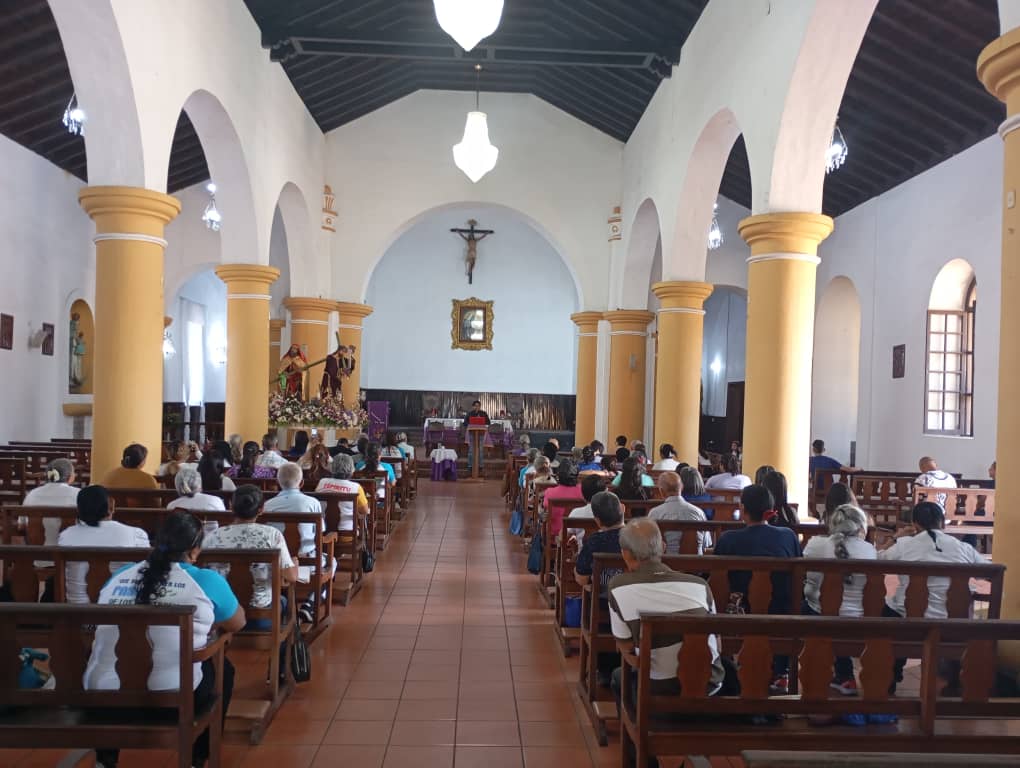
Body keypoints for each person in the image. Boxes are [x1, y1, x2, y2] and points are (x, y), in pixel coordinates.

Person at [87, 512, 245, 768]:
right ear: (195, 550)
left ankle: (105, 760)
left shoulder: (121, 574)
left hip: (105, 699)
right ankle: (197, 758)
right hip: (173, 701)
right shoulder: (205, 580)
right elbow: (237, 623)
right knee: (222, 669)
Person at [608, 517, 724, 755]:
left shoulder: (619, 587)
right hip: (709, 684)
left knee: (619, 676)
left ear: (625, 555)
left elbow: (626, 647)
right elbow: (717, 643)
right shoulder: (700, 585)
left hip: (658, 689)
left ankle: (636, 751)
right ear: (662, 547)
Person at [878, 501, 983, 693]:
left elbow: (877, 561)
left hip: (907, 623)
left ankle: (889, 676)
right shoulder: (963, 548)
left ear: (915, 525)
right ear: (942, 523)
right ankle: (953, 682)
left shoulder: (904, 545)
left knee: (889, 610)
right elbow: (988, 571)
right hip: (952, 624)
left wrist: (895, 538)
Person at [714, 484, 801, 693]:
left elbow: (717, 578)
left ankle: (732, 668)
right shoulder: (788, 535)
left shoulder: (728, 539)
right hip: (782, 611)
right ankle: (781, 672)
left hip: (740, 612)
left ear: (743, 509)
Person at [801, 504, 876, 694]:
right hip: (860, 622)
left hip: (821, 619)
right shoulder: (869, 551)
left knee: (808, 606)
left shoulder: (815, 545)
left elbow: (809, 590)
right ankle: (845, 676)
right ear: (861, 527)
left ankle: (812, 671)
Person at [204, 485, 297, 613]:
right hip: (261, 614)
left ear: (231, 506)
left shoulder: (213, 536)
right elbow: (291, 576)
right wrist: (295, 564)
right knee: (283, 600)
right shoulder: (272, 535)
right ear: (261, 509)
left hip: (221, 614)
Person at [56, 485, 149, 604]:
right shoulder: (136, 534)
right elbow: (145, 571)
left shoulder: (66, 536)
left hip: (77, 610)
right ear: (110, 508)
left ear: (79, 510)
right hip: (121, 609)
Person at [648, 471, 710, 554]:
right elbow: (705, 544)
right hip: (695, 563)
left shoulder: (654, 513)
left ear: (661, 491)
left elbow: (649, 545)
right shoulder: (698, 512)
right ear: (682, 487)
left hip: (665, 563)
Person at [22, 458, 80, 545]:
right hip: (69, 555)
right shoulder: (79, 494)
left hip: (37, 554)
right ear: (70, 476)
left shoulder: (32, 494)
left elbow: (21, 525)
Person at [315, 454, 370, 534]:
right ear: (351, 469)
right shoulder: (356, 487)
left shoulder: (322, 482)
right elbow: (364, 511)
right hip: (347, 534)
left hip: (323, 532)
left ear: (332, 468)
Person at [541, 459, 585, 538]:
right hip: (576, 534)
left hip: (555, 532)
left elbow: (545, 510)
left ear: (558, 475)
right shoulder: (583, 491)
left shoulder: (550, 492)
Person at [566, 474, 606, 546]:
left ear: (583, 496)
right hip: (607, 555)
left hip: (582, 554)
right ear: (605, 493)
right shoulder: (613, 512)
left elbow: (565, 536)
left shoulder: (576, 513)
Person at [463, 399, 490, 472]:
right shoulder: (470, 413)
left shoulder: (483, 413)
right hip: (472, 434)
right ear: (473, 407)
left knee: (480, 450)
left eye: (478, 406)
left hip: (481, 434)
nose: (477, 407)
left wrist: (481, 420)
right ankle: (470, 465)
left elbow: (488, 422)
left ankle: (480, 466)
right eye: (475, 406)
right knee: (471, 450)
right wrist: (471, 423)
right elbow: (465, 423)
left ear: (480, 406)